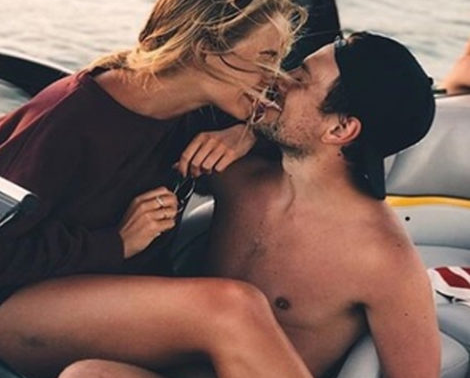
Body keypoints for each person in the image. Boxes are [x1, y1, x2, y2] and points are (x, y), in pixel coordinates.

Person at [60, 32, 441, 378]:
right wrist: (246, 130)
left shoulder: (383, 257)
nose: (280, 78)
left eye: (301, 79)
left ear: (340, 129)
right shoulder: (239, 177)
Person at [0, 0, 316, 378]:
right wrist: (116, 242)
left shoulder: (201, 110)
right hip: (19, 311)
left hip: (110, 303)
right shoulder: (68, 119)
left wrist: (245, 135)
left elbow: (305, 139)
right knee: (233, 307)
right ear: (206, 51)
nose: (275, 79)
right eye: (266, 59)